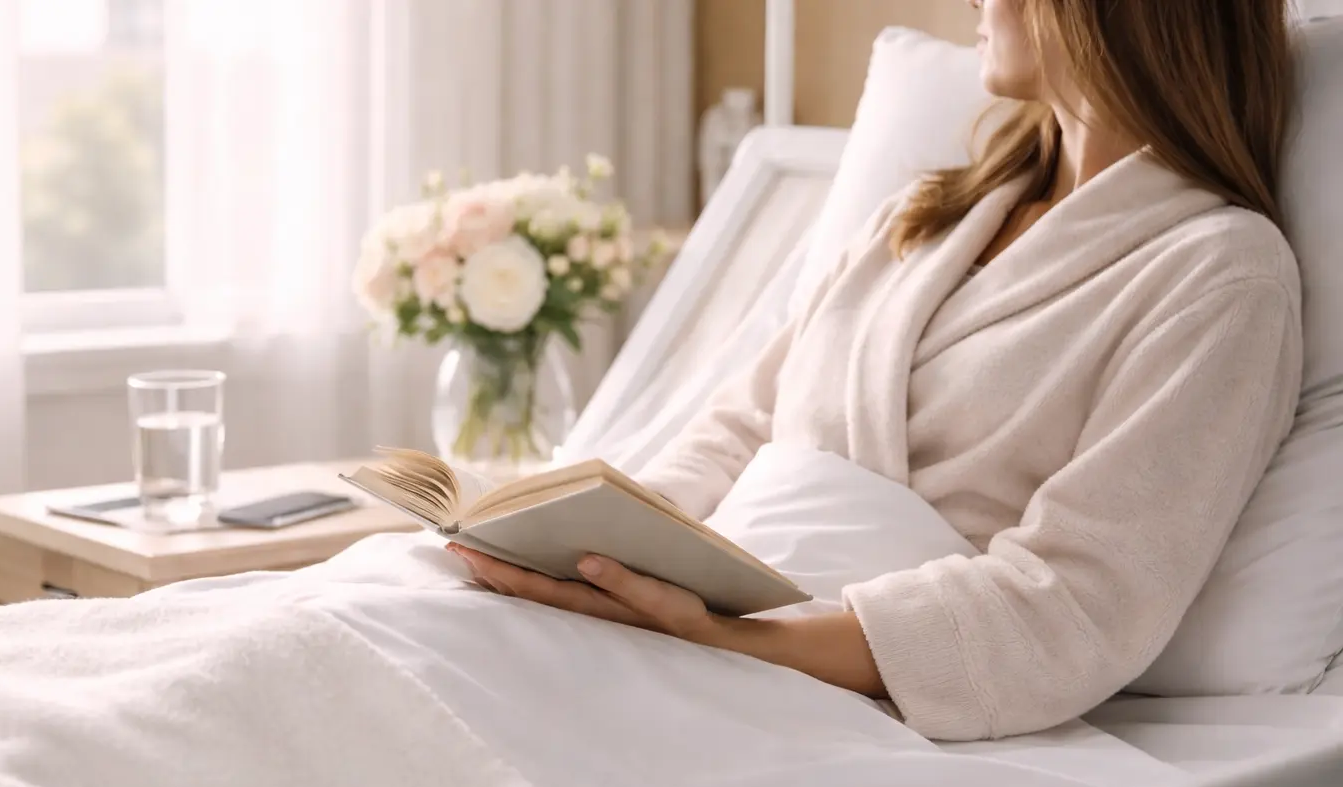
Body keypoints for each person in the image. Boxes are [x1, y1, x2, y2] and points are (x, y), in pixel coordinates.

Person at [451, 0, 1302, 741]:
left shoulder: (1219, 273)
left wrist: (736, 641)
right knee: (395, 621)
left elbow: (1074, 604)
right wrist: (605, 549)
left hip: (833, 688)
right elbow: (744, 421)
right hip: (683, 622)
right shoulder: (926, 216)